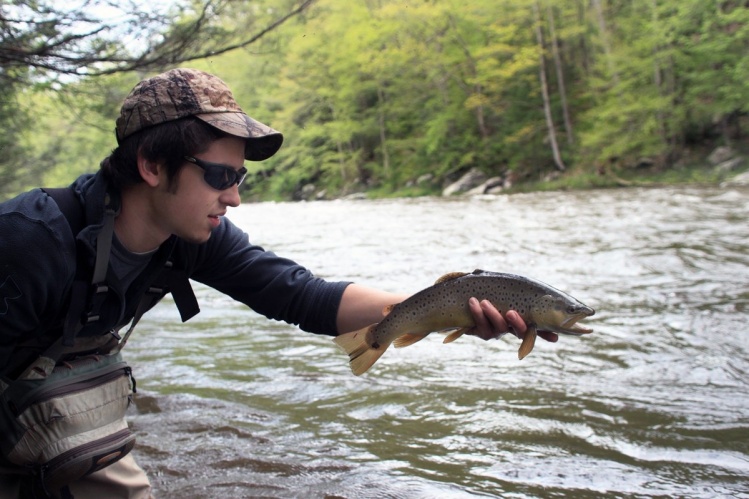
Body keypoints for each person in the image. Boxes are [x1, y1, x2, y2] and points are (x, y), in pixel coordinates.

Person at [0, 68, 557, 498]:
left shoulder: (195, 234)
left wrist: (451, 307)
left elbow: (304, 297)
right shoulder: (30, 244)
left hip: (48, 400)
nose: (235, 196)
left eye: (238, 177)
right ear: (151, 165)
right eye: (220, 176)